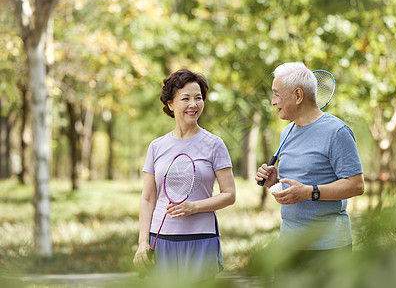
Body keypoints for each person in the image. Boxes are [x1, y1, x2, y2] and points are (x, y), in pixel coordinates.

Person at [255, 62, 364, 270]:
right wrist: (274, 182)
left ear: (297, 95)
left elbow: (357, 185)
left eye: (277, 94)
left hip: (328, 249)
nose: (273, 102)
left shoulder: (337, 132)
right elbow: (297, 186)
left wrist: (309, 192)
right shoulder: (286, 132)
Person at [133, 69, 236, 282]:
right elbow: (148, 198)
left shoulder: (214, 144)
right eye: (185, 98)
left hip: (201, 239)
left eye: (198, 98)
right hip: (160, 240)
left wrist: (194, 207)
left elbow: (229, 194)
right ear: (170, 104)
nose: (193, 104)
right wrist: (143, 242)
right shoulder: (156, 146)